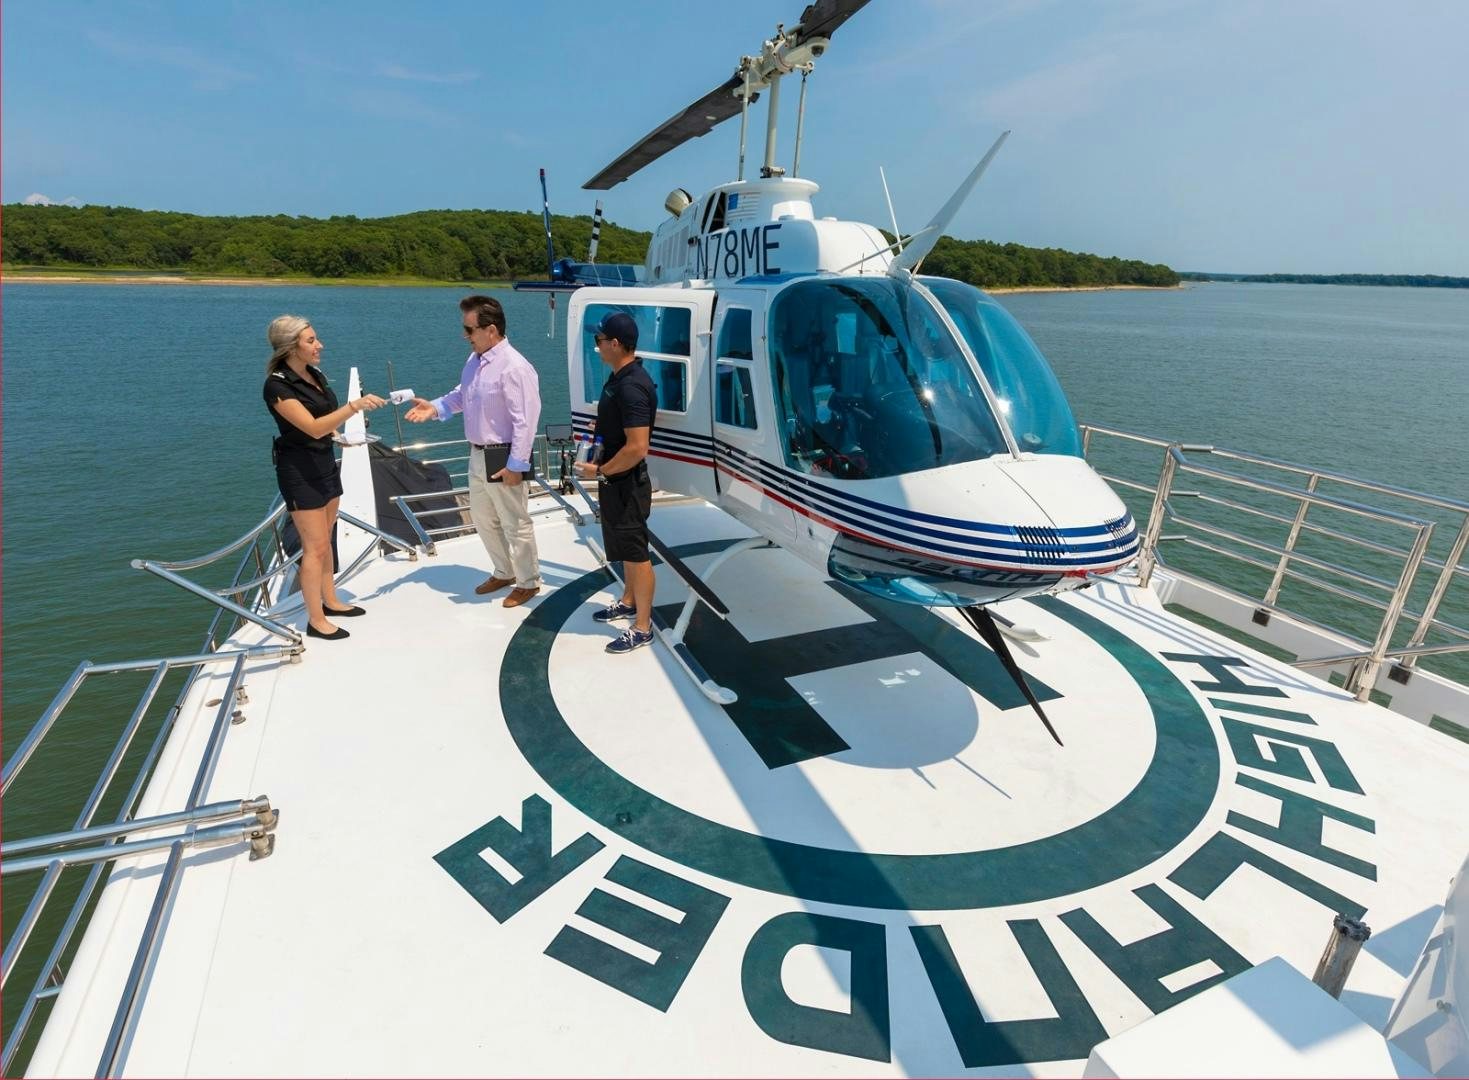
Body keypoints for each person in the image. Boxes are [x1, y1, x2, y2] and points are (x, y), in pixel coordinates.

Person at [405, 296, 543, 607]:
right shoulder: (476, 361)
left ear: (490, 330)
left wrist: (516, 465)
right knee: (482, 518)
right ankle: (504, 571)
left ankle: (528, 581)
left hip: (504, 455)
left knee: (514, 521)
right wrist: (435, 407)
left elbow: (526, 420)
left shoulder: (516, 368)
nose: (465, 336)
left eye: (469, 330)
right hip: (477, 454)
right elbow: (463, 394)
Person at [262, 315, 384, 641]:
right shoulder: (277, 386)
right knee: (314, 547)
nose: (320, 346)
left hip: (325, 462)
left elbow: (322, 420)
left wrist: (337, 434)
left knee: (327, 538)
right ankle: (315, 620)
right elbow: (310, 426)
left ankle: (330, 600)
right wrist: (354, 405)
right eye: (312, 341)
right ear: (291, 347)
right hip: (299, 471)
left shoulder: (313, 374)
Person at [574, 312, 658, 654]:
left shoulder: (632, 386)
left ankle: (643, 626)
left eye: (599, 340)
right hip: (615, 480)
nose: (596, 346)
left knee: (637, 553)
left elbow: (638, 447)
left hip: (626, 484)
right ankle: (627, 600)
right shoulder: (618, 379)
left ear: (615, 344)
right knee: (623, 548)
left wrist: (601, 471)